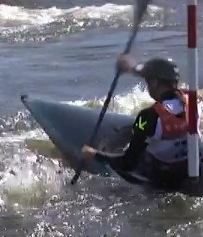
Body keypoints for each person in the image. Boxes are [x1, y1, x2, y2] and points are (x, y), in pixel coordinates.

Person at [80, 55, 194, 188]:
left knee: (130, 136)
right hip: (188, 169)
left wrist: (96, 155)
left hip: (162, 176)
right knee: (136, 130)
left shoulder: (147, 117)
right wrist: (130, 67)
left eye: (147, 80)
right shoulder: (193, 102)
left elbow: (127, 164)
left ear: (154, 82)